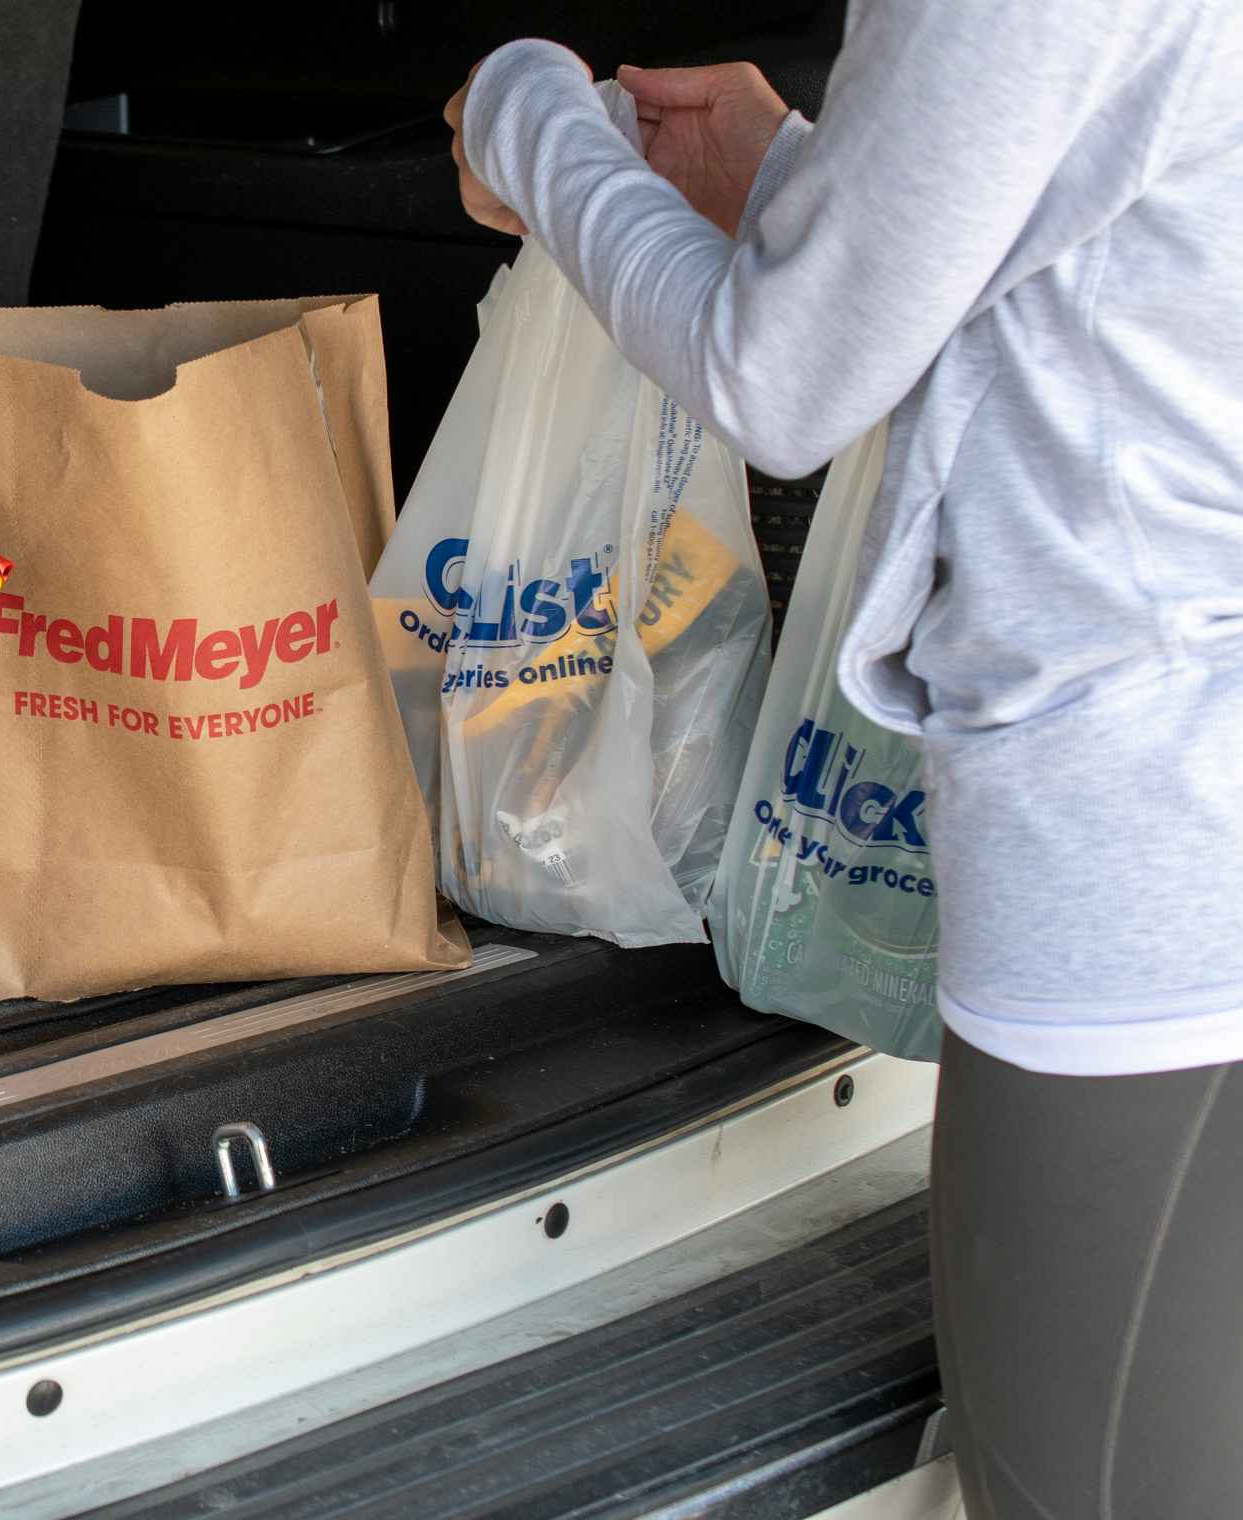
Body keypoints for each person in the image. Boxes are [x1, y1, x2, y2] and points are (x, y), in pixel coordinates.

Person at [444, 5, 1243, 1514]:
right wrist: (806, 180)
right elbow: (1124, 247)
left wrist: (521, 113)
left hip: (1145, 889)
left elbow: (783, 378)